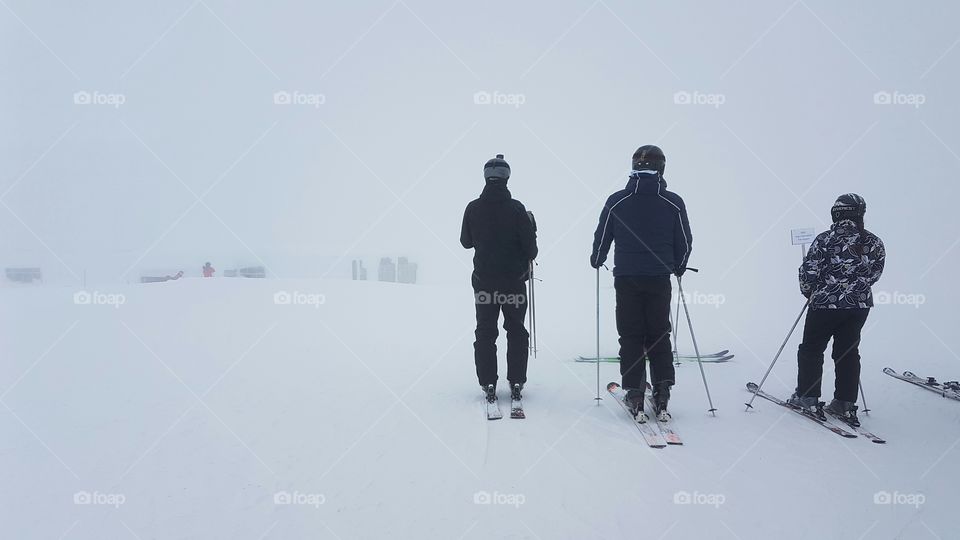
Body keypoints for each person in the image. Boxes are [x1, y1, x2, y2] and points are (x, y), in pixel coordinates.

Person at [590, 145, 692, 423]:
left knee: (631, 334)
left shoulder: (617, 200)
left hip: (627, 278)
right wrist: (679, 266)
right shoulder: (673, 202)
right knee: (659, 333)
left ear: (634, 168)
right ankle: (662, 391)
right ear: (661, 169)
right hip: (659, 278)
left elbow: (603, 235)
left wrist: (597, 258)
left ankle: (635, 391)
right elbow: (684, 241)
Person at [787, 194, 886, 426]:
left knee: (812, 348)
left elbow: (809, 271)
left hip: (825, 303)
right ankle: (845, 403)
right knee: (848, 352)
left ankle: (807, 397)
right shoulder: (873, 241)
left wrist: (809, 291)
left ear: (838, 213)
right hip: (858, 306)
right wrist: (856, 289)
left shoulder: (825, 239)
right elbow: (875, 273)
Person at [460, 154, 538, 405]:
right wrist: (531, 228)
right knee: (516, 330)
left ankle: (488, 382)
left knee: (485, 331)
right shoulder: (517, 209)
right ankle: (516, 381)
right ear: (507, 177)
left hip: (484, 282)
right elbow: (531, 251)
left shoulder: (473, 207)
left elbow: (465, 242)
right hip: (514, 283)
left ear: (486, 176)